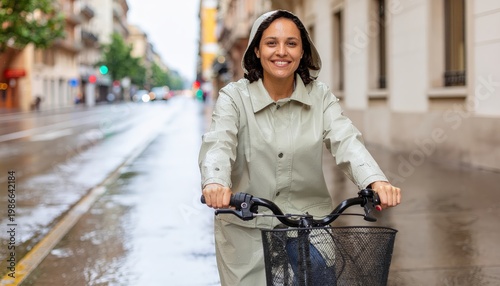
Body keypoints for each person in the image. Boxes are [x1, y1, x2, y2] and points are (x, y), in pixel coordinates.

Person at [198, 9, 402, 285]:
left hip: (309, 224)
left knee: (320, 279)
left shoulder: (320, 96)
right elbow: (219, 143)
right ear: (256, 50)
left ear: (302, 51)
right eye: (271, 43)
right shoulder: (234, 98)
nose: (281, 52)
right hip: (247, 225)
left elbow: (346, 140)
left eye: (291, 43)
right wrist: (216, 182)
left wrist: (375, 181)